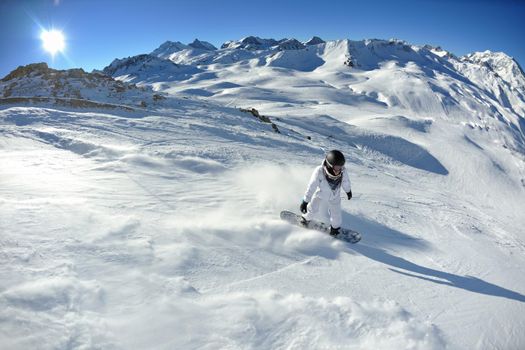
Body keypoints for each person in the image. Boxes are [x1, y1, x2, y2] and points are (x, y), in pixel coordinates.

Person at [300, 150, 352, 236]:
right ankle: (305, 219)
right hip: (320, 194)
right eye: (336, 167)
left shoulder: (343, 171)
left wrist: (348, 191)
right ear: (329, 165)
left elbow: (345, 182)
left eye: (340, 167)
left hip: (335, 196)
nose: (338, 170)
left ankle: (335, 229)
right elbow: (311, 186)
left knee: (336, 214)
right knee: (312, 209)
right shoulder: (319, 171)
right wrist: (305, 201)